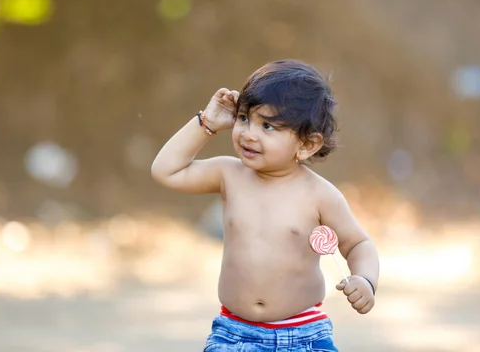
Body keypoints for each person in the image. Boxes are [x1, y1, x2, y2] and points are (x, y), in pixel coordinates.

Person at [151, 60, 379, 351]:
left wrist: (365, 280)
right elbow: (166, 171)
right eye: (244, 118)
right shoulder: (229, 175)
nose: (249, 133)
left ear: (307, 144)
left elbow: (358, 243)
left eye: (267, 125)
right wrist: (206, 123)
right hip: (232, 333)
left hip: (302, 335)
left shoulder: (320, 195)